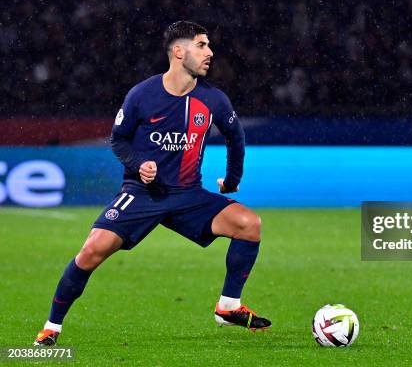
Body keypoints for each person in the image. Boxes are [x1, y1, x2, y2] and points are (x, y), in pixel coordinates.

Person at [34, 21, 271, 346]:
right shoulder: (142, 95)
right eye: (201, 45)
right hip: (142, 195)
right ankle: (51, 327)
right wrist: (138, 165)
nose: (210, 52)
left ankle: (227, 306)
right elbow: (118, 140)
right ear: (178, 51)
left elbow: (236, 136)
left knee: (249, 224)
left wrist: (232, 180)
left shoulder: (213, 99)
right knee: (91, 251)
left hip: (188, 196)